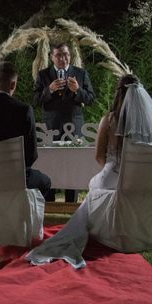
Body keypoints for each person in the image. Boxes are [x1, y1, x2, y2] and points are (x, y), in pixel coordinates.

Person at [25, 74, 152, 269]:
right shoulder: (150, 128)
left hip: (114, 179)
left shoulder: (109, 121)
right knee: (97, 184)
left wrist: (113, 168)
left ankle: (96, 230)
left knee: (94, 183)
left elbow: (99, 157)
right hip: (145, 184)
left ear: (118, 94)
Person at [0, 61, 51, 198]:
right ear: (13, 84)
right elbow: (31, 155)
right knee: (45, 182)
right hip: (15, 177)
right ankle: (24, 214)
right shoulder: (24, 110)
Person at [33, 42, 96, 202]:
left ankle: (71, 205)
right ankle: (49, 203)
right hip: (51, 127)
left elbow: (91, 99)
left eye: (66, 54)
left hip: (74, 127)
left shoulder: (80, 73)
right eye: (59, 55)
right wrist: (50, 90)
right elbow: (35, 100)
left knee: (73, 166)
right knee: (50, 165)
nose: (63, 58)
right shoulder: (43, 75)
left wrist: (78, 91)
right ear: (51, 57)